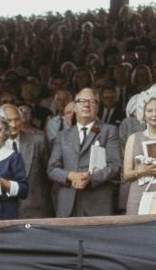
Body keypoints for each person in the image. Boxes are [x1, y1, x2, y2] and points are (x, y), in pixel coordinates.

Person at [47, 88, 122, 217]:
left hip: (98, 201)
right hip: (68, 203)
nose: (86, 105)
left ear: (98, 107)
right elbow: (52, 169)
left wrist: (90, 178)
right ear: (75, 107)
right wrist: (71, 176)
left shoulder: (109, 131)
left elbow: (115, 165)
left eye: (91, 101)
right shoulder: (62, 136)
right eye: (82, 101)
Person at [120, 88, 156, 215]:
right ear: (143, 113)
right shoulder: (133, 138)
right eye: (149, 111)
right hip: (137, 195)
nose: (154, 114)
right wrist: (141, 171)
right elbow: (126, 174)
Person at [0, 104, 51, 219]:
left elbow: (50, 173)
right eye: (9, 120)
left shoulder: (38, 141)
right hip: (4, 209)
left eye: (17, 119)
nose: (13, 125)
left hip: (36, 208)